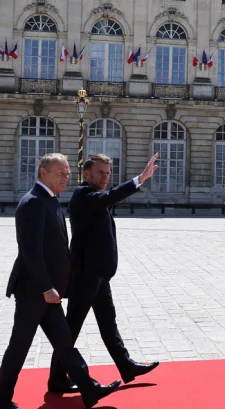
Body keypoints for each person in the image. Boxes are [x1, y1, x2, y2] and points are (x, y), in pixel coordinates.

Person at [0, 153, 120, 409]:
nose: (66, 177)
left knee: (65, 343)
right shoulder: (34, 203)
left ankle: (89, 389)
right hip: (34, 292)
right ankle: (0, 404)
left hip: (49, 293)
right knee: (18, 349)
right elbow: (30, 252)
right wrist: (47, 287)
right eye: (60, 172)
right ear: (43, 173)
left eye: (67, 173)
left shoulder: (49, 200)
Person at [47, 153, 161, 393]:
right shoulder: (84, 195)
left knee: (108, 322)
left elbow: (108, 198)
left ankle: (126, 365)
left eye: (108, 173)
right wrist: (139, 179)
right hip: (86, 274)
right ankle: (57, 379)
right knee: (72, 327)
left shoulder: (96, 196)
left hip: (98, 273)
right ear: (86, 174)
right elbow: (110, 197)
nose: (105, 177)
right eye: (100, 172)